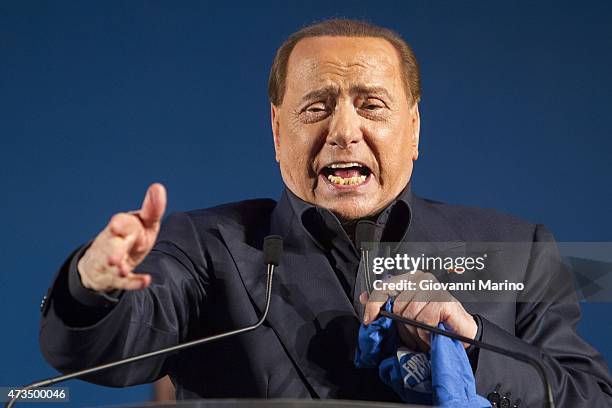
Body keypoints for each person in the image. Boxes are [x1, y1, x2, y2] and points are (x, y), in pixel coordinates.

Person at [39, 19, 612, 406]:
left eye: (372, 106)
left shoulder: (517, 246)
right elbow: (109, 352)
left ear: (413, 128)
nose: (343, 131)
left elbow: (590, 395)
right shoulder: (206, 245)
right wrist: (94, 289)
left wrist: (473, 346)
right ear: (276, 130)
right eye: (316, 106)